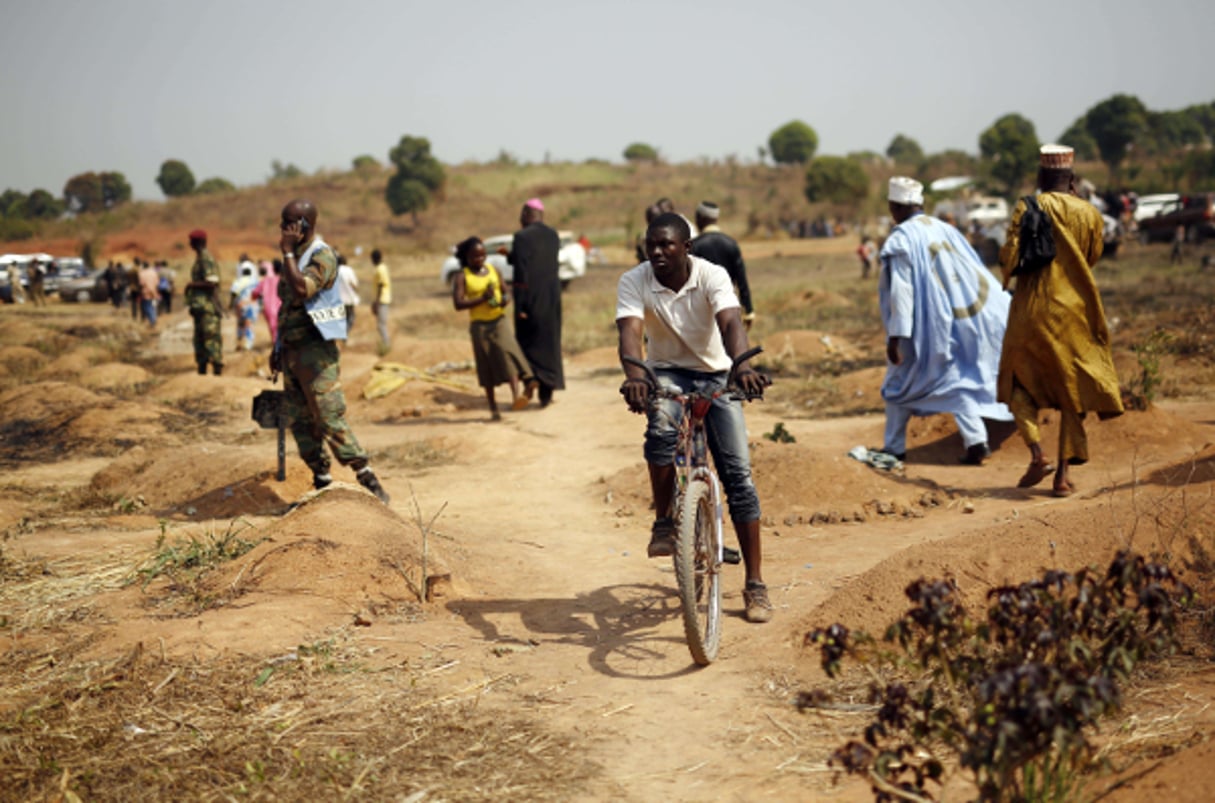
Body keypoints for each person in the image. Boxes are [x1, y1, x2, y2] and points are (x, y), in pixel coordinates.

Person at [616, 212, 774, 624]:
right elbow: (630, 334)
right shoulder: (634, 280)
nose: (658, 252)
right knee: (660, 430)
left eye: (667, 244)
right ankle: (664, 521)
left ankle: (756, 584)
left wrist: (741, 366)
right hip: (665, 371)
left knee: (738, 474)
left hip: (716, 371)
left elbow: (730, 322)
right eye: (652, 244)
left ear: (687, 247)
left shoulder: (712, 275)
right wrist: (636, 378)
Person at [997, 145, 1123, 497]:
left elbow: (1009, 257)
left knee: (1017, 383)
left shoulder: (1028, 206)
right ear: (1072, 179)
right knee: (1072, 391)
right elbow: (1092, 257)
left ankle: (1037, 453)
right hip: (1074, 313)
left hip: (1030, 312)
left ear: (1040, 177)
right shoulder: (1089, 213)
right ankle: (1063, 477)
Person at [877, 177, 1013, 465]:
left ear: (894, 206)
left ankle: (893, 449)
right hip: (961, 317)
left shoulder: (901, 239)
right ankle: (976, 441)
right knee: (956, 379)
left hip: (926, 326)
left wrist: (896, 337)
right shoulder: (944, 229)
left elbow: (902, 292)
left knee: (897, 386)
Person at [272, 198, 389, 504]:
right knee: (300, 419)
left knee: (328, 415)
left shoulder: (321, 256)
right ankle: (321, 478)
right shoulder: (292, 256)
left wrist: (286, 252)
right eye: (282, 222)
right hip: (293, 350)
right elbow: (285, 305)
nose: (284, 229)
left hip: (316, 351)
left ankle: (367, 476)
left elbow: (301, 290)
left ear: (306, 226)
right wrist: (278, 346)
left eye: (290, 223)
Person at [451, 236, 536, 420]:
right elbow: (458, 304)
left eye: (482, 256)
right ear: (467, 257)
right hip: (479, 326)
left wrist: (503, 300)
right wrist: (482, 299)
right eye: (475, 257)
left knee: (509, 353)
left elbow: (506, 292)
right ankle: (493, 408)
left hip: (499, 320)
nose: (479, 260)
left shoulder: (493, 270)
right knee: (486, 365)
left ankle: (517, 396)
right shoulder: (462, 276)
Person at [503, 198, 563, 407]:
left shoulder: (521, 237)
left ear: (527, 214)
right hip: (552, 297)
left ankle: (532, 380)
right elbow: (539, 260)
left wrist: (520, 306)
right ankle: (547, 392)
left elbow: (522, 273)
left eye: (522, 214)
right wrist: (510, 256)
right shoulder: (553, 235)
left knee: (528, 342)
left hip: (530, 298)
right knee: (549, 341)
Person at [691, 200, 755, 329]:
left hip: (701, 309)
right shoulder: (731, 244)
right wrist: (748, 310)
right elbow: (741, 280)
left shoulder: (694, 246)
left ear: (700, 218)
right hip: (727, 305)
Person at [184, 230, 224, 375]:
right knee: (200, 342)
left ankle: (217, 374)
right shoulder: (200, 258)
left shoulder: (206, 258)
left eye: (192, 242)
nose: (190, 244)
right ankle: (202, 373)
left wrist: (192, 285)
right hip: (200, 308)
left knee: (211, 341)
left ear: (197, 243)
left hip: (208, 308)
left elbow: (212, 282)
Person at [230, 261, 259, 351]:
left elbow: (234, 292)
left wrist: (231, 303)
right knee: (248, 324)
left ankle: (239, 342)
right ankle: (248, 343)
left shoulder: (239, 281)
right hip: (252, 305)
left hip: (241, 305)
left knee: (240, 324)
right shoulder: (255, 281)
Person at [251, 259, 281, 346]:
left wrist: (254, 298)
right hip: (282, 307)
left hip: (269, 308)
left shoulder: (265, 280)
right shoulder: (284, 280)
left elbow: (255, 292)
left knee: (273, 327)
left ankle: (276, 345)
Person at [370, 248, 392, 353]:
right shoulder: (383, 267)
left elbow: (381, 285)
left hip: (382, 299)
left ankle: (386, 346)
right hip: (382, 299)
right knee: (381, 325)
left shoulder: (380, 269)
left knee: (381, 325)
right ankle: (385, 344)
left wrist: (376, 302)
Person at [336, 253, 359, 340]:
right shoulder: (349, 270)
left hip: (338, 300)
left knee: (342, 318)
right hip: (349, 299)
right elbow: (354, 284)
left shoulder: (335, 271)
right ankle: (344, 333)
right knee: (351, 317)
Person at [138, 259, 161, 328]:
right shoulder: (154, 272)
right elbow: (157, 282)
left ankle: (152, 320)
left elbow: (141, 283)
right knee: (153, 306)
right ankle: (154, 318)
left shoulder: (142, 273)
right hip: (154, 292)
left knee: (147, 306)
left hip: (146, 292)